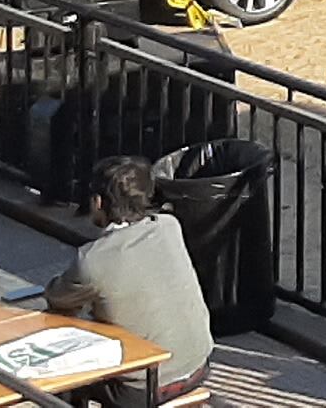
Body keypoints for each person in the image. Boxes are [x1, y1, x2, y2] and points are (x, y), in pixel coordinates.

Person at [48, 156, 218, 395]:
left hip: (142, 387)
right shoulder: (169, 226)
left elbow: (57, 298)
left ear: (98, 202)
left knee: (61, 377)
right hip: (198, 364)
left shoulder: (92, 260)